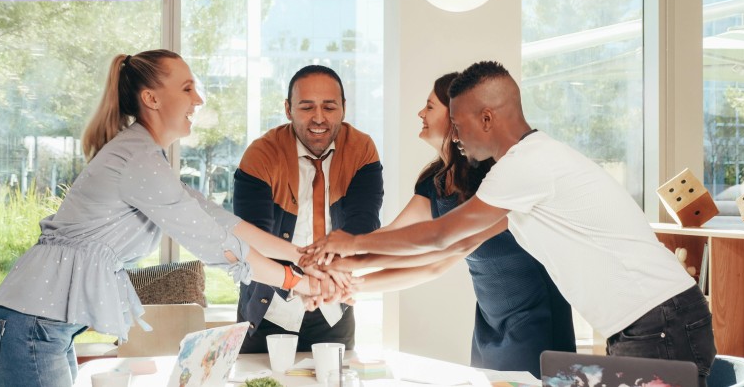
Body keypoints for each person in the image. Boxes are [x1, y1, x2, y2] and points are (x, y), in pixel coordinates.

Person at [304, 61, 717, 386]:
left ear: (487, 119)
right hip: (645, 322)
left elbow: (443, 235)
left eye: (460, 124)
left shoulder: (527, 166)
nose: (458, 136)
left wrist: (351, 243)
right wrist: (350, 269)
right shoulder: (518, 171)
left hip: (659, 320)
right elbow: (444, 246)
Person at [0, 50, 334, 387]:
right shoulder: (138, 159)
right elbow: (219, 244)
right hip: (32, 327)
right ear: (151, 98)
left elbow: (221, 221)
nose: (198, 99)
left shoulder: (143, 156)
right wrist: (300, 282)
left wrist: (301, 257)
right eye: (187, 88)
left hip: (41, 326)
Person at [324, 72, 575, 375]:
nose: (421, 113)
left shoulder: (494, 178)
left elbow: (439, 254)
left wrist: (346, 264)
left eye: (430, 107)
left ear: (456, 115)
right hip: (489, 320)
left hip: (533, 317)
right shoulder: (436, 181)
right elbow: (397, 237)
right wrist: (345, 275)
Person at [233, 65, 384, 353]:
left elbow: (363, 223)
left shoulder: (362, 149)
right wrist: (308, 276)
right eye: (306, 107)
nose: (319, 118)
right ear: (288, 110)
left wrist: (327, 275)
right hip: (269, 306)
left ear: (343, 109)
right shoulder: (260, 155)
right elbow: (254, 238)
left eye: (329, 107)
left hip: (332, 306)